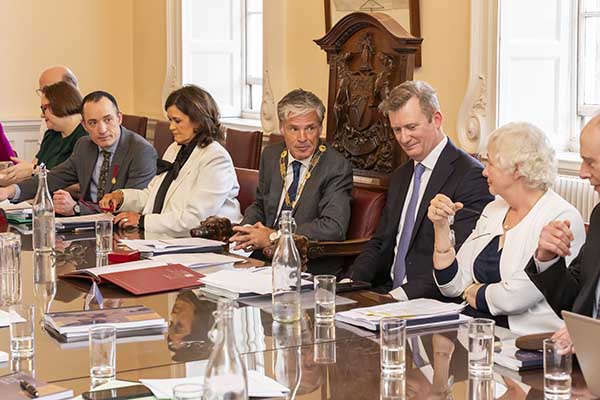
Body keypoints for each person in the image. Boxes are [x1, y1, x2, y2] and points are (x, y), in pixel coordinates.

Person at [428, 122, 585, 333]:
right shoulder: (494, 209)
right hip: (474, 328)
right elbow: (452, 286)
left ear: (517, 169)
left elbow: (513, 299)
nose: (484, 172)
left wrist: (471, 290)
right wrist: (441, 227)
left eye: (490, 163)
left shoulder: (560, 217)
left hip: (524, 339)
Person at [347, 80, 493, 301]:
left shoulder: (470, 175)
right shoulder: (401, 175)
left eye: (411, 127)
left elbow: (461, 256)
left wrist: (397, 297)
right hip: (386, 293)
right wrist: (349, 283)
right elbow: (380, 242)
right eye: (397, 130)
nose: (404, 138)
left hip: (430, 301)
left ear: (436, 119)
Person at [229, 89, 353, 275]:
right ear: (282, 128)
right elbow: (260, 205)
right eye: (294, 129)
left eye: (310, 128)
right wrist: (247, 230)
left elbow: (333, 227)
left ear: (320, 128)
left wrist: (275, 236)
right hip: (262, 260)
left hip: (307, 266)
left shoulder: (336, 166)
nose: (302, 138)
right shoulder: (271, 156)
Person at [100, 85, 242, 236]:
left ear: (198, 122)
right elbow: (152, 196)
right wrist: (122, 197)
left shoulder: (216, 158)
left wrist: (142, 221)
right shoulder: (175, 149)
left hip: (206, 241)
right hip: (167, 238)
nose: (171, 127)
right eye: (170, 120)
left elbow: (197, 218)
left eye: (177, 121)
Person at [0, 90, 157, 215]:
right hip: (84, 226)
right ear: (84, 125)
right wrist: (10, 191)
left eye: (108, 120)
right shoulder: (84, 146)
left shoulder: (141, 152)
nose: (102, 129)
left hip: (121, 232)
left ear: (119, 118)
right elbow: (54, 178)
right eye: (93, 123)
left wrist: (76, 208)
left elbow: (130, 207)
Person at [526, 114, 600, 350]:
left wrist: (592, 336)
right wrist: (548, 259)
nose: (582, 173)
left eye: (590, 162)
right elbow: (574, 304)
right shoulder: (599, 216)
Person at [0, 81, 87, 185]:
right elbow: (33, 169)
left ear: (60, 104)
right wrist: (16, 174)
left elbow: (81, 187)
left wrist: (35, 171)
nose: (41, 115)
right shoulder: (51, 135)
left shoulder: (85, 138)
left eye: (44, 108)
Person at [36, 65, 79, 141]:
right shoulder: (49, 131)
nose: (44, 95)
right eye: (42, 91)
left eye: (48, 90)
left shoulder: (85, 131)